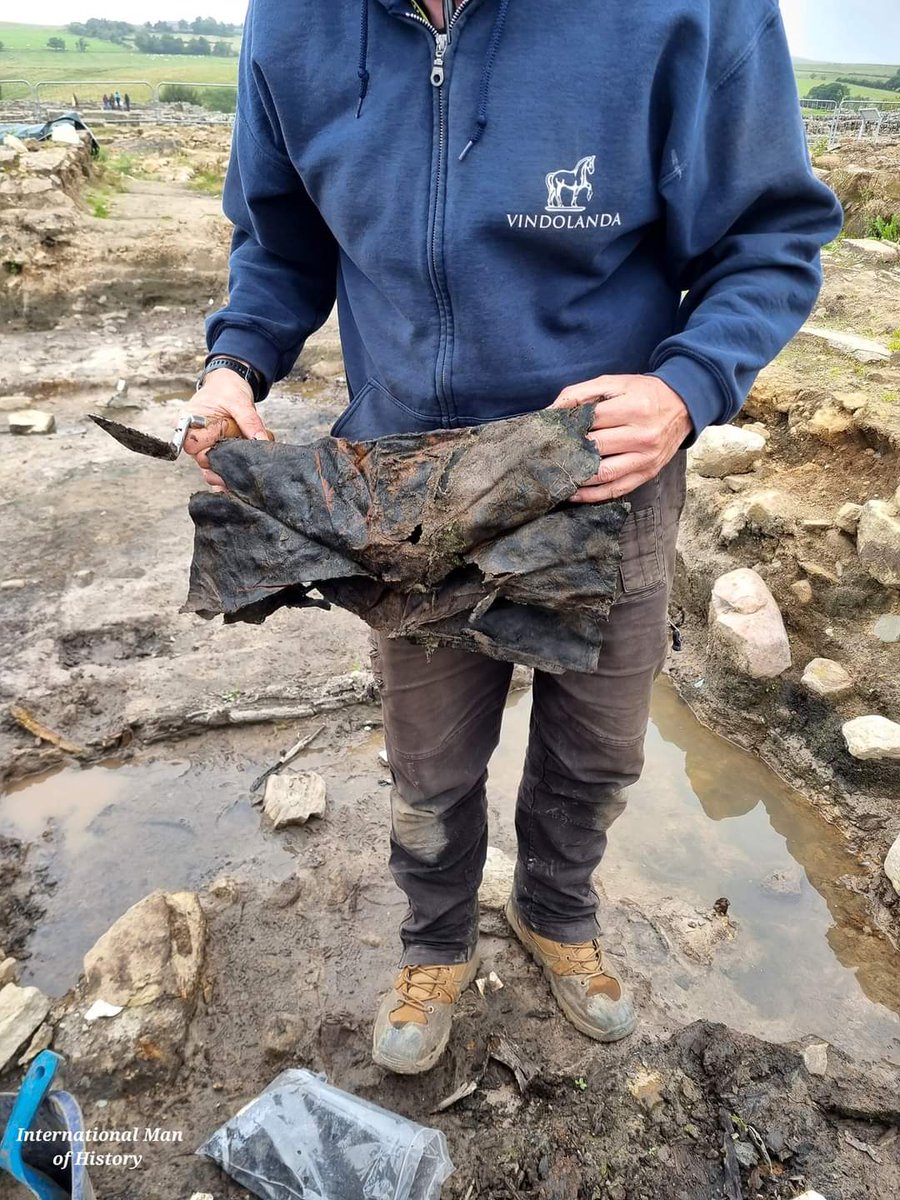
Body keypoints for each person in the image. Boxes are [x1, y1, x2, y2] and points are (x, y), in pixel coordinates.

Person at [182, 0, 842, 1075]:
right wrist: (235, 365)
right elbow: (279, 240)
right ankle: (435, 942)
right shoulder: (292, 21)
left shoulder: (692, 11)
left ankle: (556, 914)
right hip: (405, 485)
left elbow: (768, 236)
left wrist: (687, 387)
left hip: (599, 473)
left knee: (598, 753)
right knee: (429, 761)